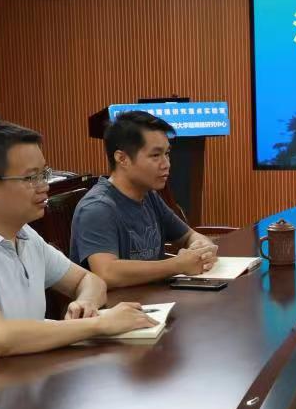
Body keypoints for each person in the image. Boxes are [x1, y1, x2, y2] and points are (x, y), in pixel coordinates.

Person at [0, 121, 154, 393]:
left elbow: (89, 280)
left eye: (45, 174)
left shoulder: (24, 234)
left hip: (23, 385)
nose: (44, 187)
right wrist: (98, 324)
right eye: (31, 178)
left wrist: (86, 304)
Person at [70, 109, 220, 289]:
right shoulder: (97, 207)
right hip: (116, 304)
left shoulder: (149, 196)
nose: (166, 164)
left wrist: (202, 249)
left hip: (153, 298)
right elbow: (106, 273)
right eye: (156, 155)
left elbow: (189, 235)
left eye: (167, 153)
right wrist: (177, 265)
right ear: (122, 158)